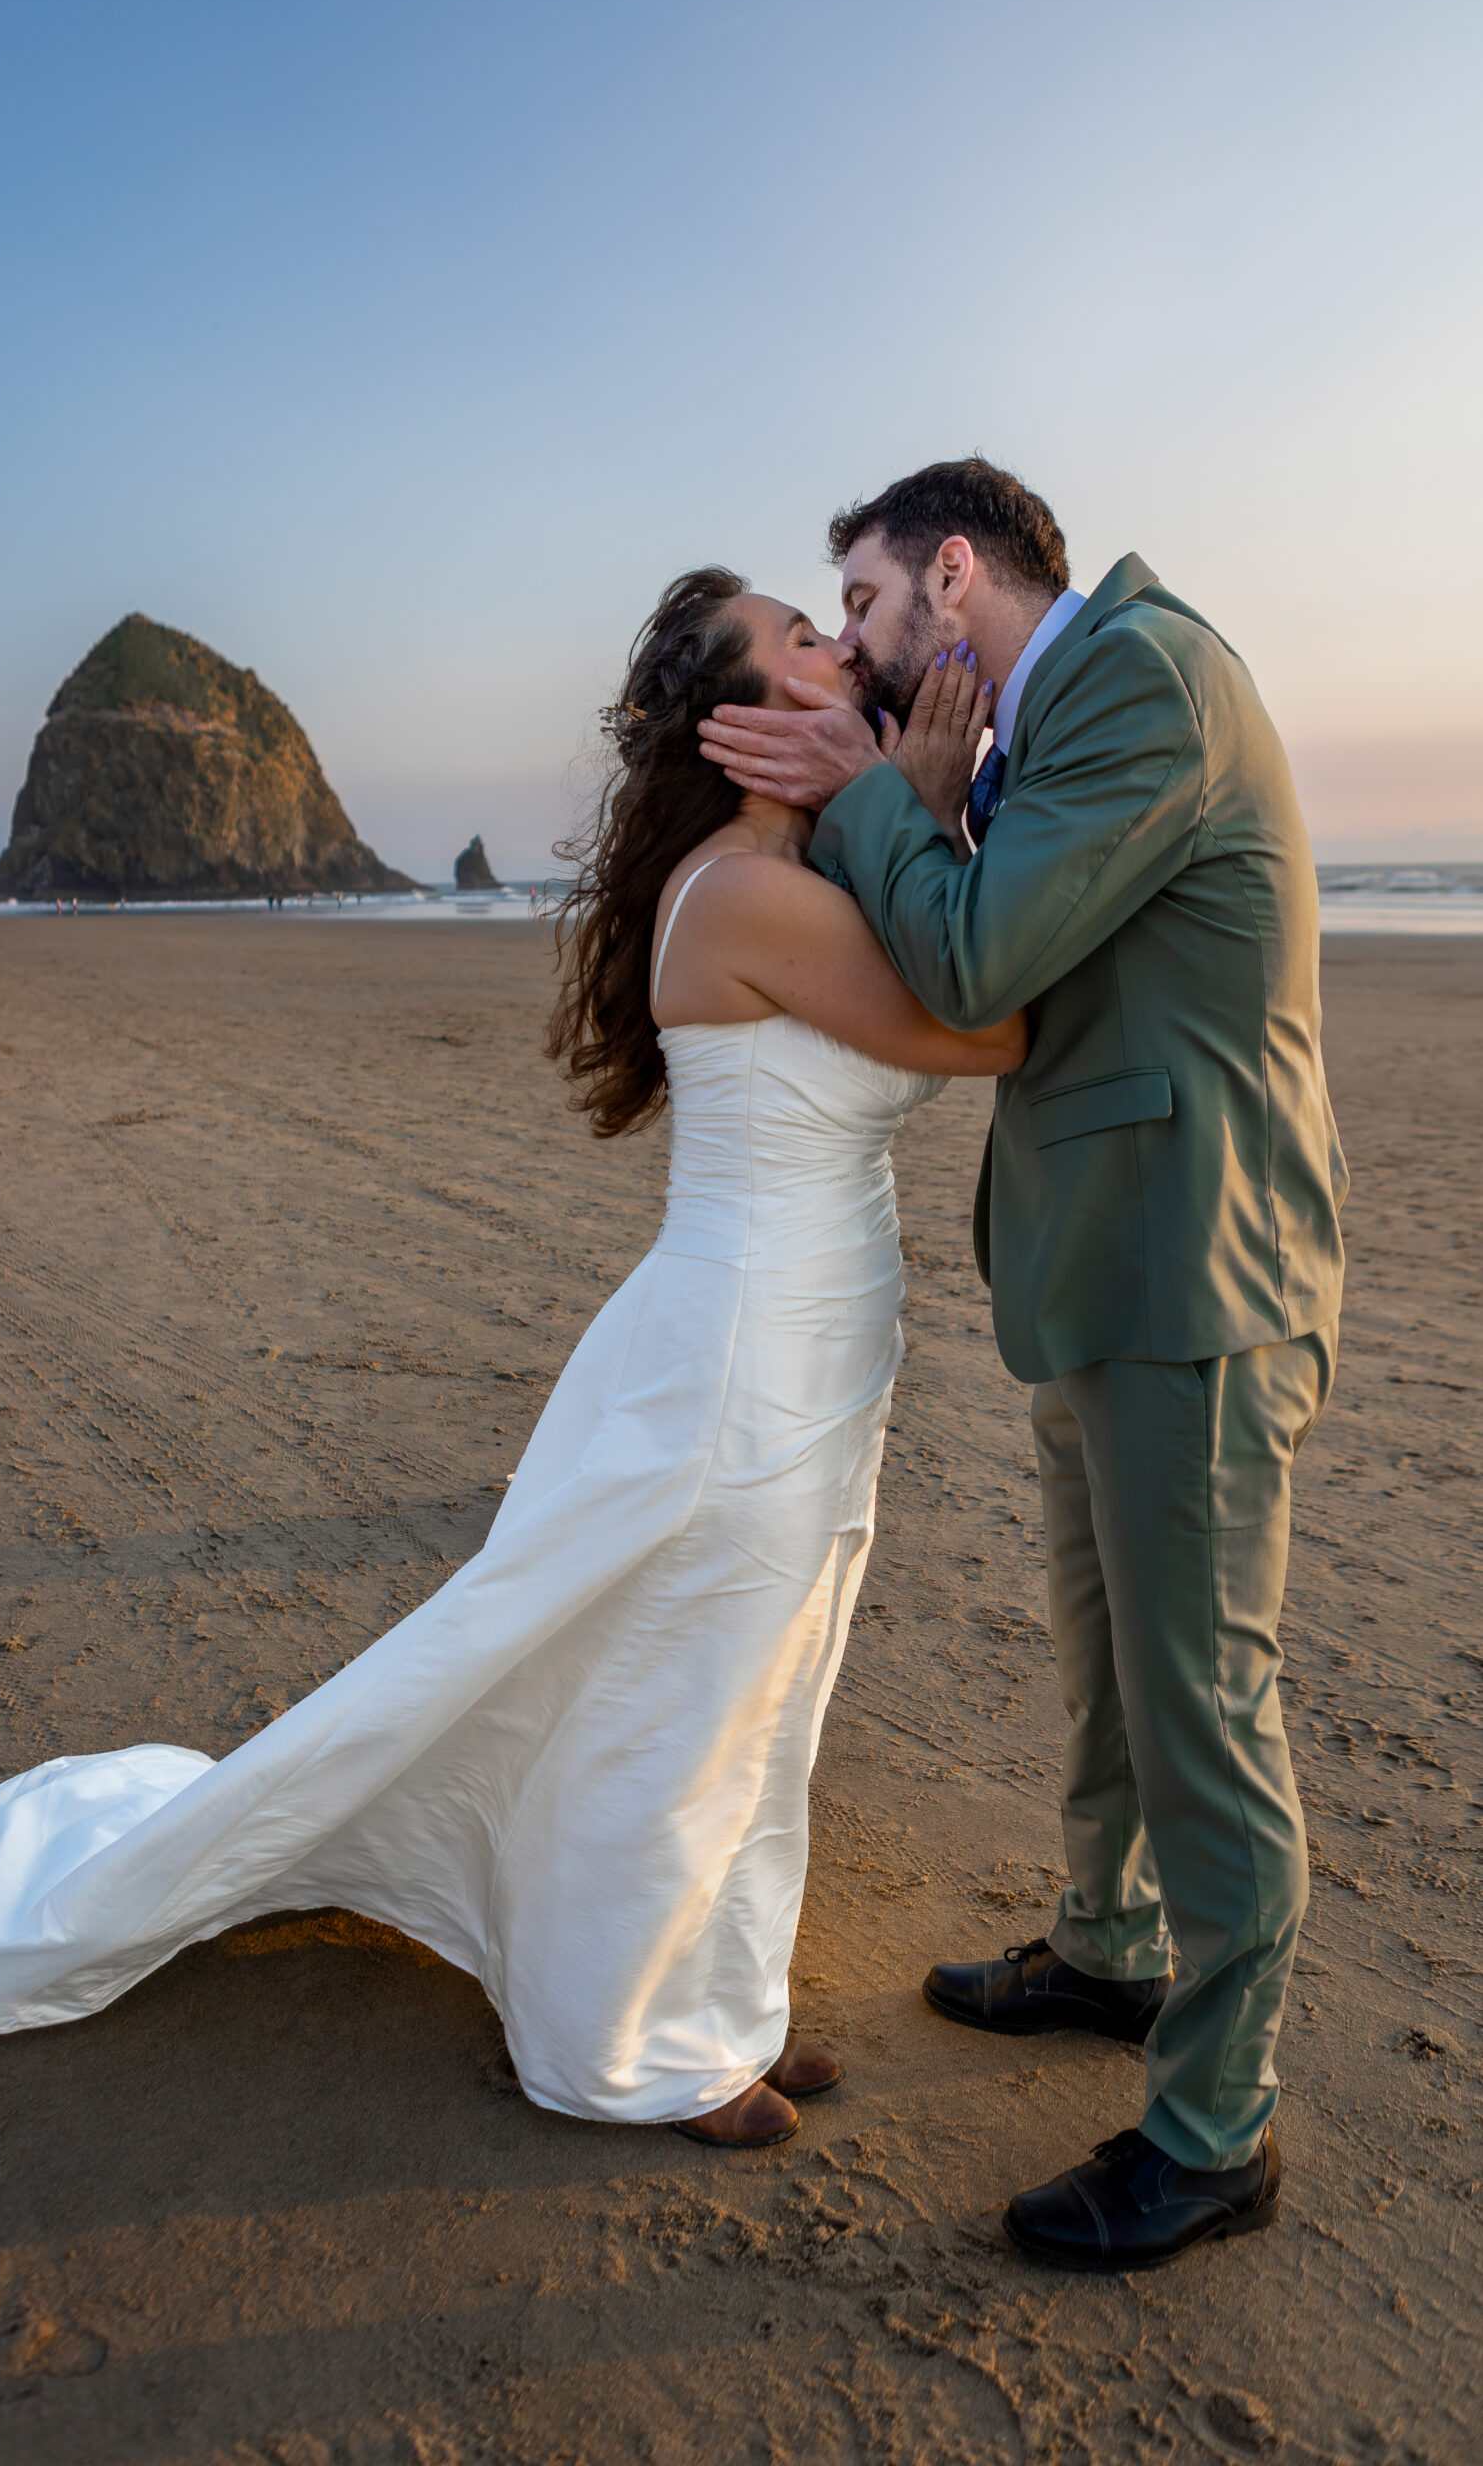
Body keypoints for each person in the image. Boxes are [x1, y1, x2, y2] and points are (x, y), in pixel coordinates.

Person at [0, 567, 1025, 2149]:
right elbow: (988, 1028)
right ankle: (622, 2045)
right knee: (681, 1695)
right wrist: (929, 805)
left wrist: (907, 814)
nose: (842, 645)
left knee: (759, 1681)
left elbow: (949, 980)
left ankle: (715, 2004)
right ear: (744, 720)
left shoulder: (805, 870)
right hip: (746, 1352)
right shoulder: (752, 894)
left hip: (816, 1337)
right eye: (803, 636)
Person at [700, 459, 1348, 2263]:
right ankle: (1113, 1943)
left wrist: (868, 799)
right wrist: (924, 801)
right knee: (1105, 1656)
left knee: (1203, 1703)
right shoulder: (1055, 715)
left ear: (955, 574)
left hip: (1193, 1282)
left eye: (865, 607)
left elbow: (986, 957)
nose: (849, 643)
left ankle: (1216, 2130)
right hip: (1106, 1267)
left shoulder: (1145, 682)